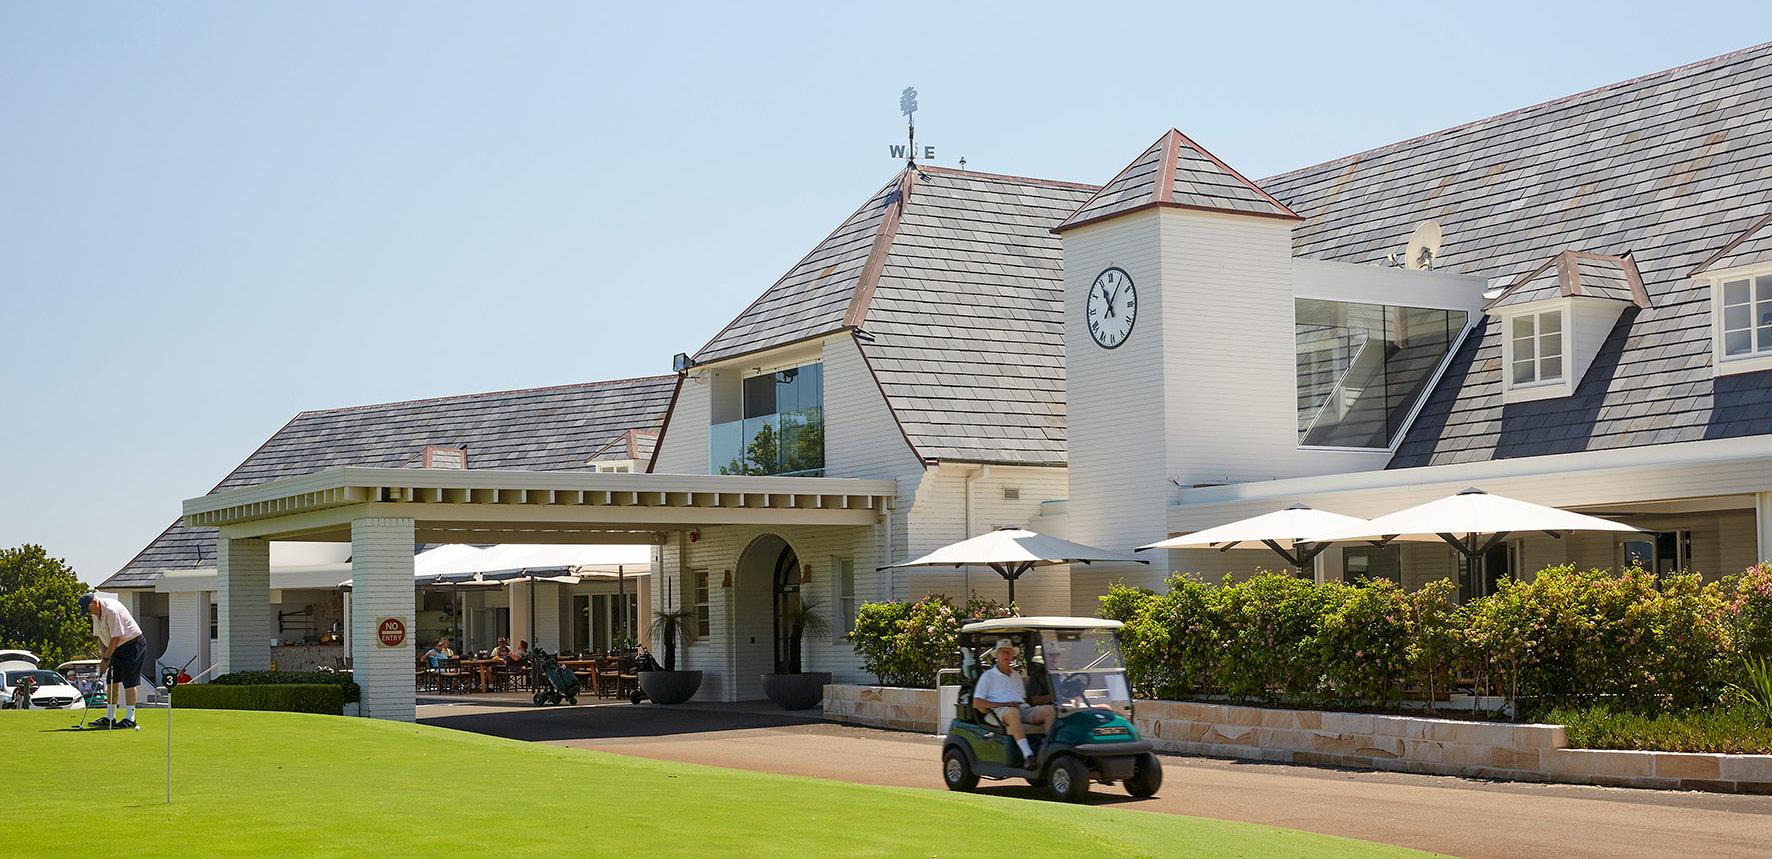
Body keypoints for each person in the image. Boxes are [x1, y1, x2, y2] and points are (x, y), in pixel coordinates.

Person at [972, 638, 1053, 763]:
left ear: (1012, 655)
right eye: (1003, 652)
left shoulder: (1016, 675)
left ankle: (1048, 751)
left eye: (1009, 652)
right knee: (1012, 712)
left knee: (1049, 710)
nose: (1006, 655)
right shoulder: (988, 676)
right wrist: (1005, 704)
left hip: (1021, 708)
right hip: (999, 711)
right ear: (997, 655)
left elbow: (1023, 699)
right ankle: (1028, 755)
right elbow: (977, 703)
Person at [80, 593, 145, 730]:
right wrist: (104, 657)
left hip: (132, 644)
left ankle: (130, 719)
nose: (89, 613)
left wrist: (106, 658)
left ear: (95, 602)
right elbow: (101, 637)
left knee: (129, 680)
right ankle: (110, 717)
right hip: (114, 646)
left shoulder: (111, 611)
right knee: (112, 680)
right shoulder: (95, 613)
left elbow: (116, 637)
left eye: (89, 610)